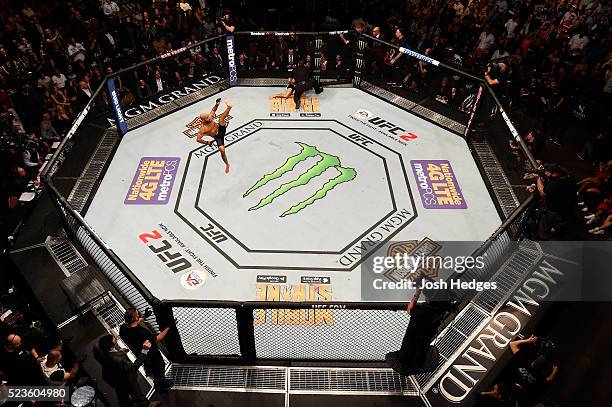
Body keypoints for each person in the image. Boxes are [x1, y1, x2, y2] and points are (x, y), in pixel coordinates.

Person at [94, 335, 161, 407]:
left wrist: (119, 352)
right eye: (114, 340)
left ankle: (129, 400)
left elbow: (112, 357)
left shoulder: (103, 353)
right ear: (111, 346)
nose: (115, 339)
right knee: (136, 391)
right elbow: (133, 367)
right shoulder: (118, 360)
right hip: (127, 379)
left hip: (115, 378)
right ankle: (147, 405)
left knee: (123, 395)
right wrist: (144, 350)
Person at [119, 308, 172, 389]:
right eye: (137, 314)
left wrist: (144, 316)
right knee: (160, 366)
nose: (139, 315)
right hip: (152, 354)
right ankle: (160, 382)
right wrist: (169, 327)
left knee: (151, 367)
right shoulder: (143, 333)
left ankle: (156, 378)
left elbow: (135, 322)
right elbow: (159, 338)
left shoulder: (123, 328)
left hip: (140, 353)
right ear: (135, 318)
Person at [196, 98, 233, 174]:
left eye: (208, 117)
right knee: (222, 151)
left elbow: (213, 110)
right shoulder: (202, 129)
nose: (209, 119)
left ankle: (229, 107)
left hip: (221, 129)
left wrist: (216, 104)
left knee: (221, 119)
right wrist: (207, 142)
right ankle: (227, 164)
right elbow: (198, 139)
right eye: (207, 119)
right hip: (218, 137)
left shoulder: (210, 117)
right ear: (203, 120)